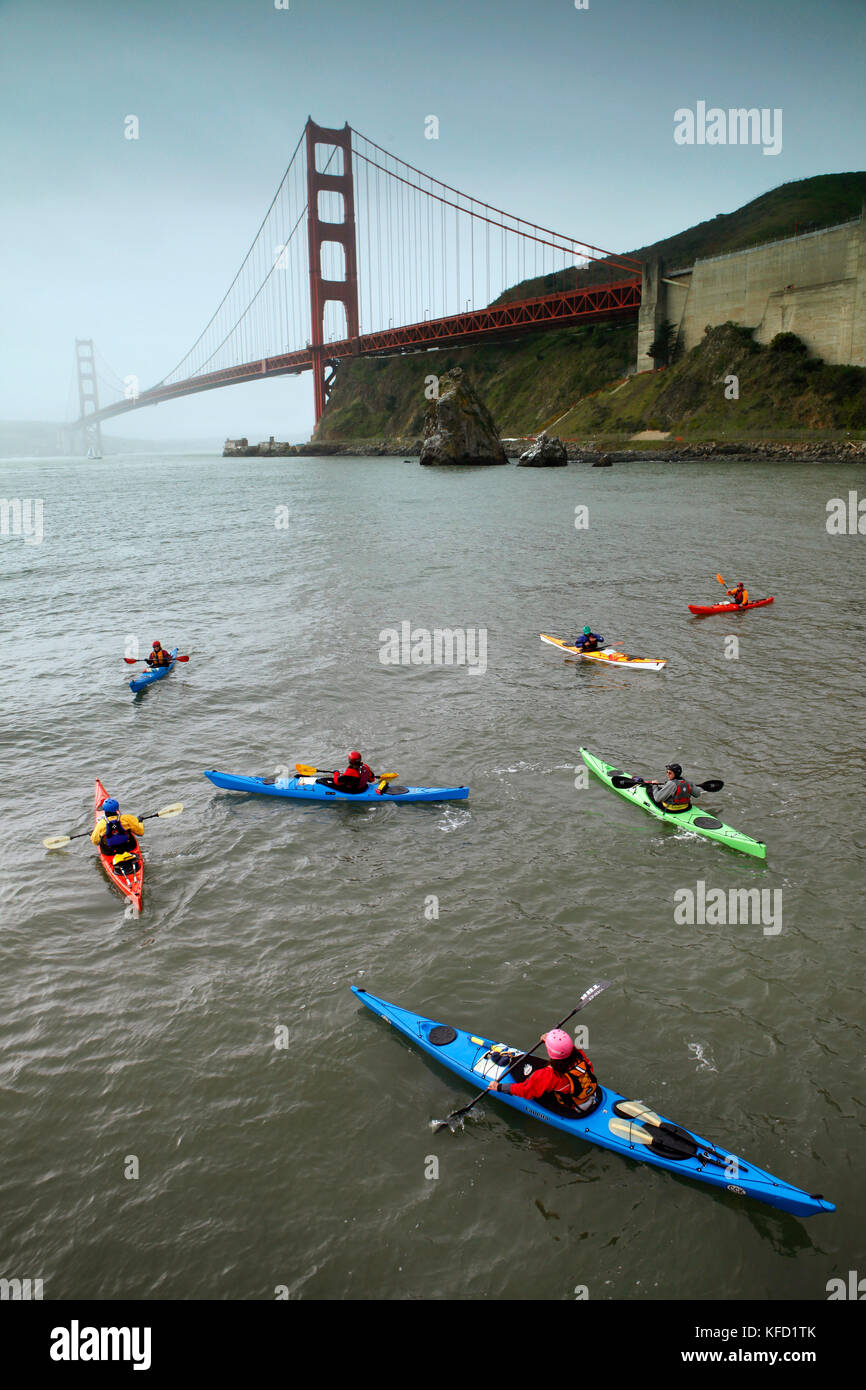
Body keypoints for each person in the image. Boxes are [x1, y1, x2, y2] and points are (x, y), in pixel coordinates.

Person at [487, 1029, 599, 1115]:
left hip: (574, 1107)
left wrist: (499, 1087)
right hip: (590, 1094)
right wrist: (548, 1040)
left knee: (534, 1085)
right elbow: (565, 1050)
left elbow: (526, 1091)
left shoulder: (548, 1075)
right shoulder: (580, 1055)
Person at [90, 798, 145, 868]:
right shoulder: (127, 818)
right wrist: (140, 822)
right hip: (129, 847)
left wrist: (93, 834)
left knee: (100, 840)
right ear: (117, 809)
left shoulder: (101, 824)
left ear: (104, 810)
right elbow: (140, 832)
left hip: (110, 851)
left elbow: (95, 842)